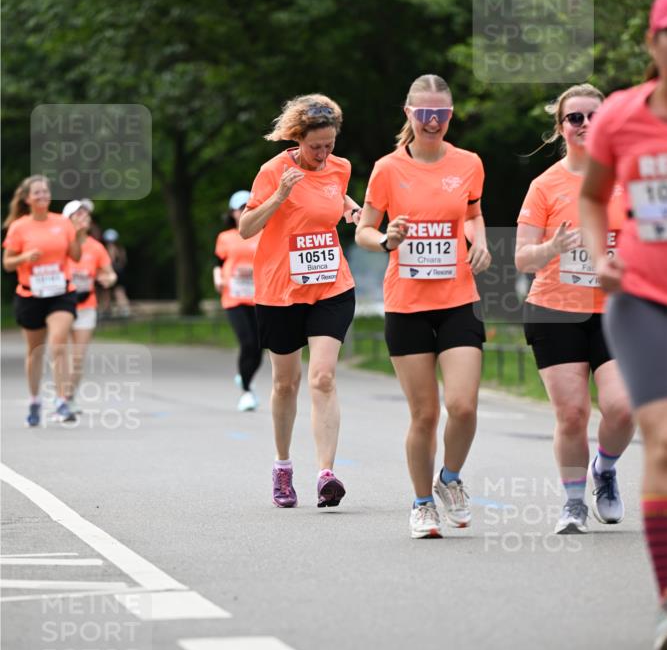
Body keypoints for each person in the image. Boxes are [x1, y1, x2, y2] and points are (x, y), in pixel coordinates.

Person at [355, 73, 491, 539]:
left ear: (450, 115)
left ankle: (449, 479)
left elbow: (472, 213)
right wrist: (386, 239)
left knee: (464, 406)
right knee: (425, 414)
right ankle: (420, 504)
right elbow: (363, 230)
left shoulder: (469, 163)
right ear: (409, 114)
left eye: (442, 114)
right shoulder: (387, 168)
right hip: (408, 304)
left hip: (458, 299)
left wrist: (480, 241)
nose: (433, 122)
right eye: (425, 113)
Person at [580, 0, 667, 650]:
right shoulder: (618, 117)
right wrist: (595, 258)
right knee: (659, 439)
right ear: (651, 43)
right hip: (639, 294)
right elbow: (591, 197)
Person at [515, 85, 634, 535]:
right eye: (574, 118)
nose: (584, 125)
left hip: (617, 310)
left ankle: (605, 469)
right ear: (561, 127)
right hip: (554, 309)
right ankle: (572, 503)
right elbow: (522, 258)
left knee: (622, 408)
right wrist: (552, 246)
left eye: (593, 116)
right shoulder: (545, 185)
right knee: (572, 415)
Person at [239, 94, 361, 508]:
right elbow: (245, 228)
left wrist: (351, 207)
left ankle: (326, 473)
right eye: (315, 147)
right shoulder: (273, 171)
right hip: (280, 290)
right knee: (285, 383)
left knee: (322, 378)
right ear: (297, 139)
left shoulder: (339, 168)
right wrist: (278, 197)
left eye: (329, 144)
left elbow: (332, 193)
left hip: (330, 286)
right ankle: (283, 465)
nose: (323, 153)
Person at [2, 175, 86, 425]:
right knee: (35, 352)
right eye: (37, 192)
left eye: (46, 192)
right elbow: (7, 263)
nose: (42, 196)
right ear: (27, 199)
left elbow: (76, 257)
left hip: (61, 292)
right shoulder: (19, 227)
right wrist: (25, 257)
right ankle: (35, 399)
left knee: (58, 344)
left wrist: (79, 236)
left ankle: (61, 400)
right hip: (31, 294)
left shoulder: (63, 223)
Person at [63, 199, 117, 414]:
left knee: (77, 356)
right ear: (68, 219)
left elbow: (109, 272)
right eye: (78, 214)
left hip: (86, 305)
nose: (83, 217)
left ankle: (68, 397)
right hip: (61, 305)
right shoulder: (60, 244)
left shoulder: (96, 247)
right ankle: (60, 395)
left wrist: (109, 279)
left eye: (86, 214)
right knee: (61, 354)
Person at [213, 190, 263, 411]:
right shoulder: (225, 237)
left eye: (249, 207)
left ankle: (245, 378)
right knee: (248, 342)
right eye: (240, 208)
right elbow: (217, 262)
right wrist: (217, 278)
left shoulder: (263, 232)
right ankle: (246, 390)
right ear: (232, 213)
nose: (245, 211)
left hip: (259, 296)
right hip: (233, 297)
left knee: (261, 346)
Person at [99, 228, 130, 317]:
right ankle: (124, 310)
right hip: (120, 272)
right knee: (119, 291)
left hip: (111, 272)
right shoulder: (120, 249)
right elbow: (124, 261)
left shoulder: (108, 248)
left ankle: (106, 311)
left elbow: (109, 262)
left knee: (107, 292)